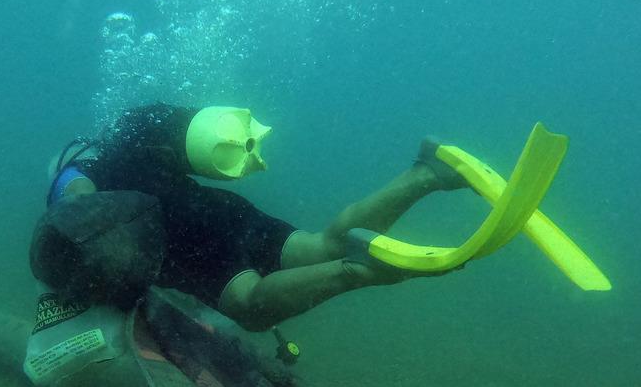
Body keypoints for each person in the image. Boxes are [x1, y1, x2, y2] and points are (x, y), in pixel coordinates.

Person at [41, 103, 470, 333]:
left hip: (184, 239)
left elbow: (74, 196)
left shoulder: (86, 166)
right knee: (320, 245)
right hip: (221, 210)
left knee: (251, 305)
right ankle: (428, 173)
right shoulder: (144, 138)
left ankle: (356, 271)